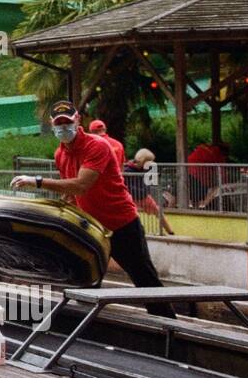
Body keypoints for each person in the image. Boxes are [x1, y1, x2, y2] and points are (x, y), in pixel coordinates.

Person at [13, 101, 176, 318]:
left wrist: (38, 181)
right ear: (52, 125)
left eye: (67, 122)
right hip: (92, 227)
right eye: (59, 124)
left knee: (144, 278)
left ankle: (170, 327)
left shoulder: (97, 146)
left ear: (78, 120)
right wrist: (55, 209)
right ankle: (86, 328)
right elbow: (72, 191)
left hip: (121, 224)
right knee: (86, 278)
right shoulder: (60, 154)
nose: (63, 128)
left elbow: (81, 184)